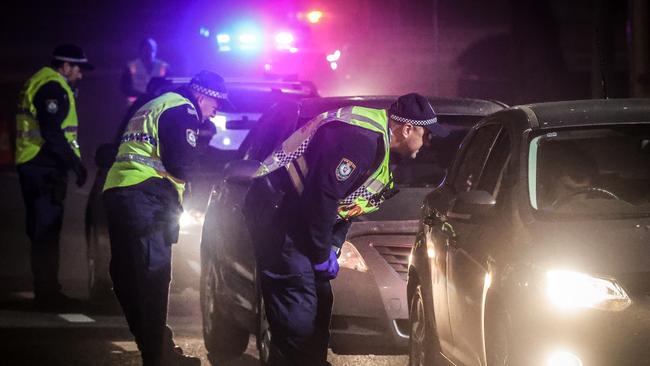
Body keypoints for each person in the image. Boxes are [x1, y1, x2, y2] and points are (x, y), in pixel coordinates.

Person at [244, 93, 448, 365]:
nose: (430, 142)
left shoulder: (382, 148)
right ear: (407, 128)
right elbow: (323, 196)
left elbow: (350, 205)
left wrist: (332, 245)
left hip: (300, 218)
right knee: (298, 314)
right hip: (278, 215)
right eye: (427, 133)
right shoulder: (361, 141)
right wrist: (319, 256)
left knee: (320, 303)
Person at [103, 71, 232, 366]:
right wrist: (204, 151)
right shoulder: (183, 109)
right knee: (153, 278)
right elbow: (181, 165)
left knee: (127, 278)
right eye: (216, 103)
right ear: (201, 96)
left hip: (118, 191)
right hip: (148, 198)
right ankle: (157, 357)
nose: (217, 110)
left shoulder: (154, 104)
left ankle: (159, 347)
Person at [15, 43, 92, 310]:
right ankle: (47, 294)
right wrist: (76, 165)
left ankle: (46, 290)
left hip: (35, 164)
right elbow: (51, 131)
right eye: (78, 69)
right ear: (65, 66)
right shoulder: (52, 87)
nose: (80, 75)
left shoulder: (41, 80)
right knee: (46, 232)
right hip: (43, 166)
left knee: (42, 232)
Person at [120, 38, 170, 106]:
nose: (149, 53)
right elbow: (125, 87)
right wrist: (141, 95)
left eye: (151, 50)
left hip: (157, 104)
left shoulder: (164, 67)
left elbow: (168, 86)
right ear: (140, 51)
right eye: (146, 50)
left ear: (155, 51)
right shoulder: (131, 67)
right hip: (136, 104)